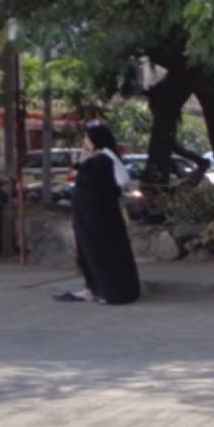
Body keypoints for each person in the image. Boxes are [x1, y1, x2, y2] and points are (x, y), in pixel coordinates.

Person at [54, 123, 141, 304]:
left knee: (101, 253)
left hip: (98, 218)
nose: (84, 142)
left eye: (87, 138)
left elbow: (114, 182)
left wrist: (85, 162)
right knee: (89, 253)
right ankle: (93, 288)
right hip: (90, 216)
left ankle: (106, 291)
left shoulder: (103, 159)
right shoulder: (98, 159)